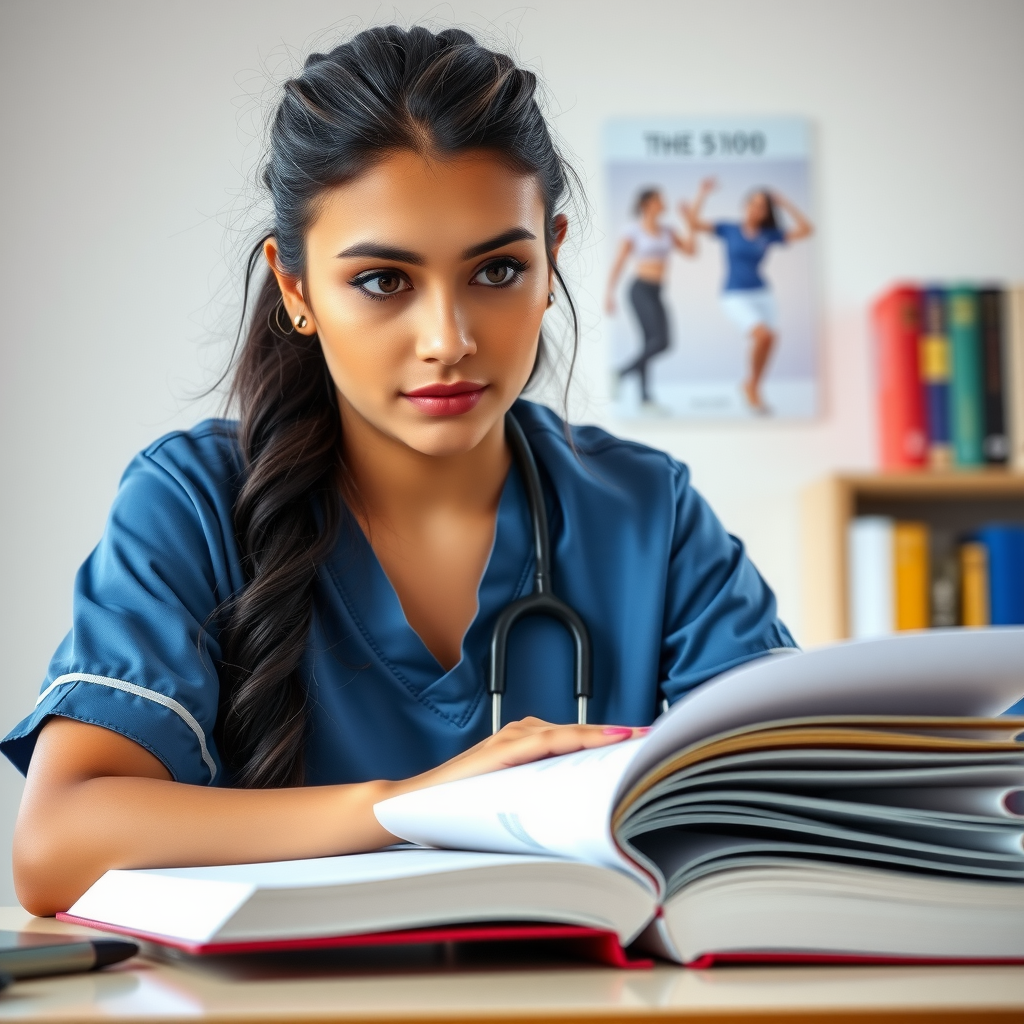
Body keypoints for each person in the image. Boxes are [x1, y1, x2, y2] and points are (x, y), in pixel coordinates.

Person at [3, 27, 795, 917]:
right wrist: (420, 806)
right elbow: (56, 844)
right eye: (384, 281)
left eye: (498, 269)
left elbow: (781, 805)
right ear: (295, 290)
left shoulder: (650, 512)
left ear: (553, 259)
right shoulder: (188, 503)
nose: (449, 339)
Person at [682, 178, 813, 414]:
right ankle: (751, 385)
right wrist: (701, 194)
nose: (756, 209)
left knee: (770, 339)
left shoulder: (769, 234)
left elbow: (807, 229)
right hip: (734, 294)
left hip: (762, 294)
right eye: (753, 203)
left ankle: (753, 385)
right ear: (745, 206)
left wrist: (784, 203)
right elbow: (693, 222)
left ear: (766, 213)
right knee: (762, 335)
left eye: (762, 206)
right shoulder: (728, 229)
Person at [604, 189, 694, 411]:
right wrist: (609, 292)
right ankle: (626, 379)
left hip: (657, 291)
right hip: (639, 290)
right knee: (657, 342)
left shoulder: (668, 231)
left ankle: (641, 395)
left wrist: (689, 221)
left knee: (656, 343)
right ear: (646, 204)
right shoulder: (633, 230)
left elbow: (691, 251)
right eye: (658, 199)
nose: (663, 202)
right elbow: (620, 261)